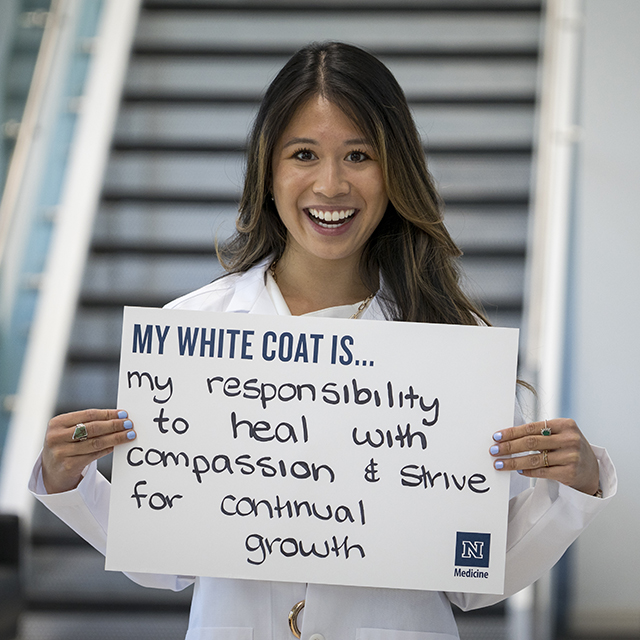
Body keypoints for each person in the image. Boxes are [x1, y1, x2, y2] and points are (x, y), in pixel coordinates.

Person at [30, 42, 615, 640]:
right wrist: (68, 483)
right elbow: (162, 561)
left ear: (394, 172)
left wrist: (575, 491)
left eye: (358, 155)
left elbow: (471, 578)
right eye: (304, 154)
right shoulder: (194, 333)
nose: (330, 184)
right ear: (269, 169)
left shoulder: (449, 350)